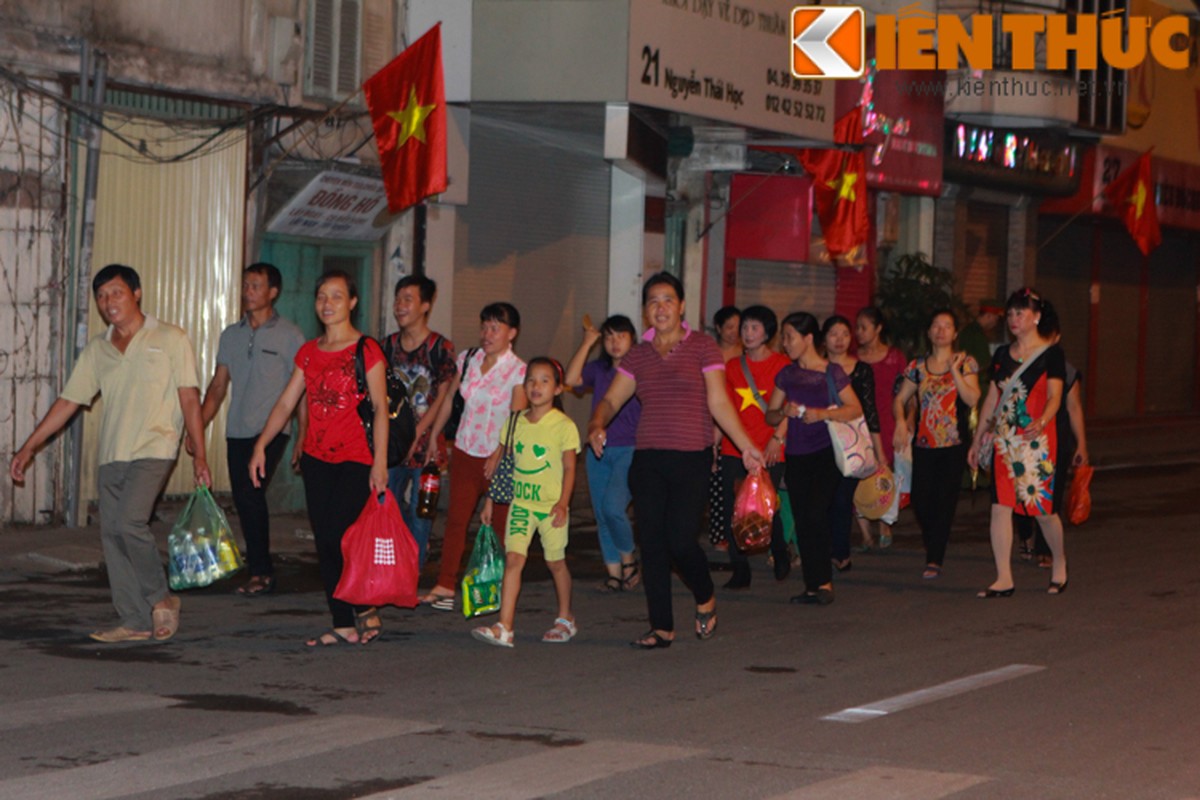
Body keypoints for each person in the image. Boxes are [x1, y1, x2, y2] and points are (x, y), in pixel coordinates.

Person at [9, 264, 209, 643]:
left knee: (130, 523)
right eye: (101, 296)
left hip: (155, 445)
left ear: (136, 293)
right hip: (113, 452)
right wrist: (29, 446)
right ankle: (133, 619)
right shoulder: (98, 349)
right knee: (112, 534)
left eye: (116, 293)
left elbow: (188, 396)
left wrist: (199, 453)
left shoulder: (169, 337)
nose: (108, 302)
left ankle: (160, 599)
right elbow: (68, 402)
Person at [588, 274, 764, 649]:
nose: (660, 307)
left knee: (681, 541)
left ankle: (705, 596)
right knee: (652, 544)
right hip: (648, 458)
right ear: (646, 310)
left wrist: (746, 445)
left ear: (682, 306)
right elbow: (611, 399)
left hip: (691, 458)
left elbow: (718, 402)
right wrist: (596, 423)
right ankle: (661, 627)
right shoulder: (637, 354)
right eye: (653, 301)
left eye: (668, 300)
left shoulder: (702, 347)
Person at [248, 270, 388, 646]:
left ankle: (355, 608)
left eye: (337, 296)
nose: (327, 304)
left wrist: (380, 463)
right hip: (316, 458)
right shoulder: (308, 352)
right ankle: (344, 621)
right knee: (326, 540)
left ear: (352, 303)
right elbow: (286, 402)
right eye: (322, 296)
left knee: (336, 535)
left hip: (356, 458)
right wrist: (262, 444)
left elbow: (379, 408)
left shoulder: (367, 350)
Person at [194, 263, 306, 597]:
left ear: (273, 292)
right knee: (245, 499)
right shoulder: (232, 334)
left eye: (255, 286)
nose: (248, 292)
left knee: (250, 494)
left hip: (272, 431)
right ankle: (259, 565)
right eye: (245, 285)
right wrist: (197, 426)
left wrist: (304, 434)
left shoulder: (290, 336)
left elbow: (301, 391)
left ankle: (261, 572)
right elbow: (217, 387)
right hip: (237, 429)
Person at [422, 302, 527, 610]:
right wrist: (434, 436)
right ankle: (445, 584)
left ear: (512, 333)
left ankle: (496, 592)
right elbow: (451, 398)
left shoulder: (519, 370)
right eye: (484, 326)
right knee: (456, 520)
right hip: (466, 450)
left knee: (498, 527)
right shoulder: (468, 359)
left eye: (495, 328)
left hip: (498, 456)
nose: (487, 333)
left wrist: (499, 454)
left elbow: (516, 418)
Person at [472, 358, 580, 647]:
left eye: (545, 381)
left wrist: (563, 504)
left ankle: (566, 617)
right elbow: (504, 466)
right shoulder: (514, 422)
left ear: (558, 389)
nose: (536, 386)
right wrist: (490, 502)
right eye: (531, 380)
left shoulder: (564, 426)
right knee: (514, 560)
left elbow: (570, 468)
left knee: (555, 562)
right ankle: (504, 626)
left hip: (550, 508)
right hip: (521, 504)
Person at [969, 287, 1068, 598]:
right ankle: (1003, 577)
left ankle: (1060, 562)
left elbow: (1054, 396)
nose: (1013, 319)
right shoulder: (1001, 355)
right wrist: (976, 441)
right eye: (1010, 314)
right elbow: (992, 400)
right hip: (1005, 440)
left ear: (1036, 317)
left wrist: (1042, 421)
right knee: (1000, 506)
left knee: (1042, 510)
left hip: (1037, 440)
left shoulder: (1052, 354)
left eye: (1020, 313)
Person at [765, 312, 863, 606]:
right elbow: (770, 414)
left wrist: (823, 414)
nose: (785, 343)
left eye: (790, 336)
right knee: (804, 519)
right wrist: (784, 412)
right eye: (783, 337)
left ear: (808, 338)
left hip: (827, 454)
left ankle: (823, 583)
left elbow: (855, 408)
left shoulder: (832, 372)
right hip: (796, 456)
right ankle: (812, 585)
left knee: (816, 514)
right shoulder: (786, 375)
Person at [892, 310, 981, 580]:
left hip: (953, 444)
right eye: (936, 326)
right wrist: (900, 421)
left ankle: (935, 557)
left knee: (944, 501)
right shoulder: (917, 366)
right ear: (929, 332)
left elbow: (972, 398)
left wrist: (954, 371)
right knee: (921, 498)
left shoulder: (966, 363)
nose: (941, 330)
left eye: (947, 326)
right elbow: (900, 398)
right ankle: (934, 542)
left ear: (955, 333)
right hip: (923, 443)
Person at [381, 275, 456, 568]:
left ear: (425, 305)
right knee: (387, 505)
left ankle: (413, 569)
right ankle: (393, 565)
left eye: (408, 299)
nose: (400, 306)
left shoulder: (440, 347)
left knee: (421, 511)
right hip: (392, 444)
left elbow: (440, 397)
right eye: (398, 299)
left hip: (427, 446)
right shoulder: (385, 346)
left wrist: (418, 436)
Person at [564, 313, 641, 593]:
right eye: (609, 337)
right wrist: (588, 342)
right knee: (601, 513)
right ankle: (613, 573)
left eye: (621, 336)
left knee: (613, 507)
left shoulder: (641, 370)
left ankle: (629, 560)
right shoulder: (599, 369)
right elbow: (571, 378)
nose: (615, 342)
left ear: (632, 339)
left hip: (630, 449)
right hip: (598, 450)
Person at [719, 305, 792, 589]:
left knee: (765, 506)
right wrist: (714, 445)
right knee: (732, 509)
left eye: (754, 328)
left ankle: (779, 551)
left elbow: (791, 408)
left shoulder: (782, 366)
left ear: (767, 332)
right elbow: (722, 408)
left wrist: (779, 438)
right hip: (733, 448)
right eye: (745, 327)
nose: (748, 333)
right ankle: (740, 569)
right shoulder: (732, 367)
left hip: (770, 446)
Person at [1014, 301, 1088, 565]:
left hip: (1056, 439)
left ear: (1057, 338)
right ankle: (1024, 534)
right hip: (1022, 437)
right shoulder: (1019, 363)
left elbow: (1075, 408)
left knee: (1050, 494)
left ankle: (1045, 548)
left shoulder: (1066, 371)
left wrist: (1082, 446)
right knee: (1020, 490)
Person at [822, 315, 884, 573]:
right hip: (821, 442)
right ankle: (823, 550)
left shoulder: (861, 369)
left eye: (845, 334)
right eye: (834, 334)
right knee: (822, 498)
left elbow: (869, 411)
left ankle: (840, 552)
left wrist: (879, 452)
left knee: (842, 497)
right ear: (823, 338)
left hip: (851, 445)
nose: (839, 339)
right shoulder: (815, 368)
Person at [854, 306, 907, 550]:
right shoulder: (853, 359)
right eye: (857, 328)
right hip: (860, 424)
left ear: (878, 328)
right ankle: (865, 533)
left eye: (864, 328)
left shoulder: (895, 357)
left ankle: (886, 522)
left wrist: (905, 423)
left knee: (886, 474)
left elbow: (905, 394)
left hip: (887, 422)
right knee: (859, 474)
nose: (859, 333)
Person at [707, 305, 743, 548]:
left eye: (738, 327)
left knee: (741, 482)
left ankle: (742, 528)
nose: (734, 332)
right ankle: (719, 533)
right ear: (718, 328)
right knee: (716, 480)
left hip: (739, 421)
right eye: (729, 326)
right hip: (710, 418)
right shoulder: (710, 353)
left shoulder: (746, 354)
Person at [958, 297, 1003, 396]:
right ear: (989, 316)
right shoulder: (977, 334)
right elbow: (983, 362)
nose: (995, 323)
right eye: (996, 319)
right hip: (976, 383)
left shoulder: (969, 330)